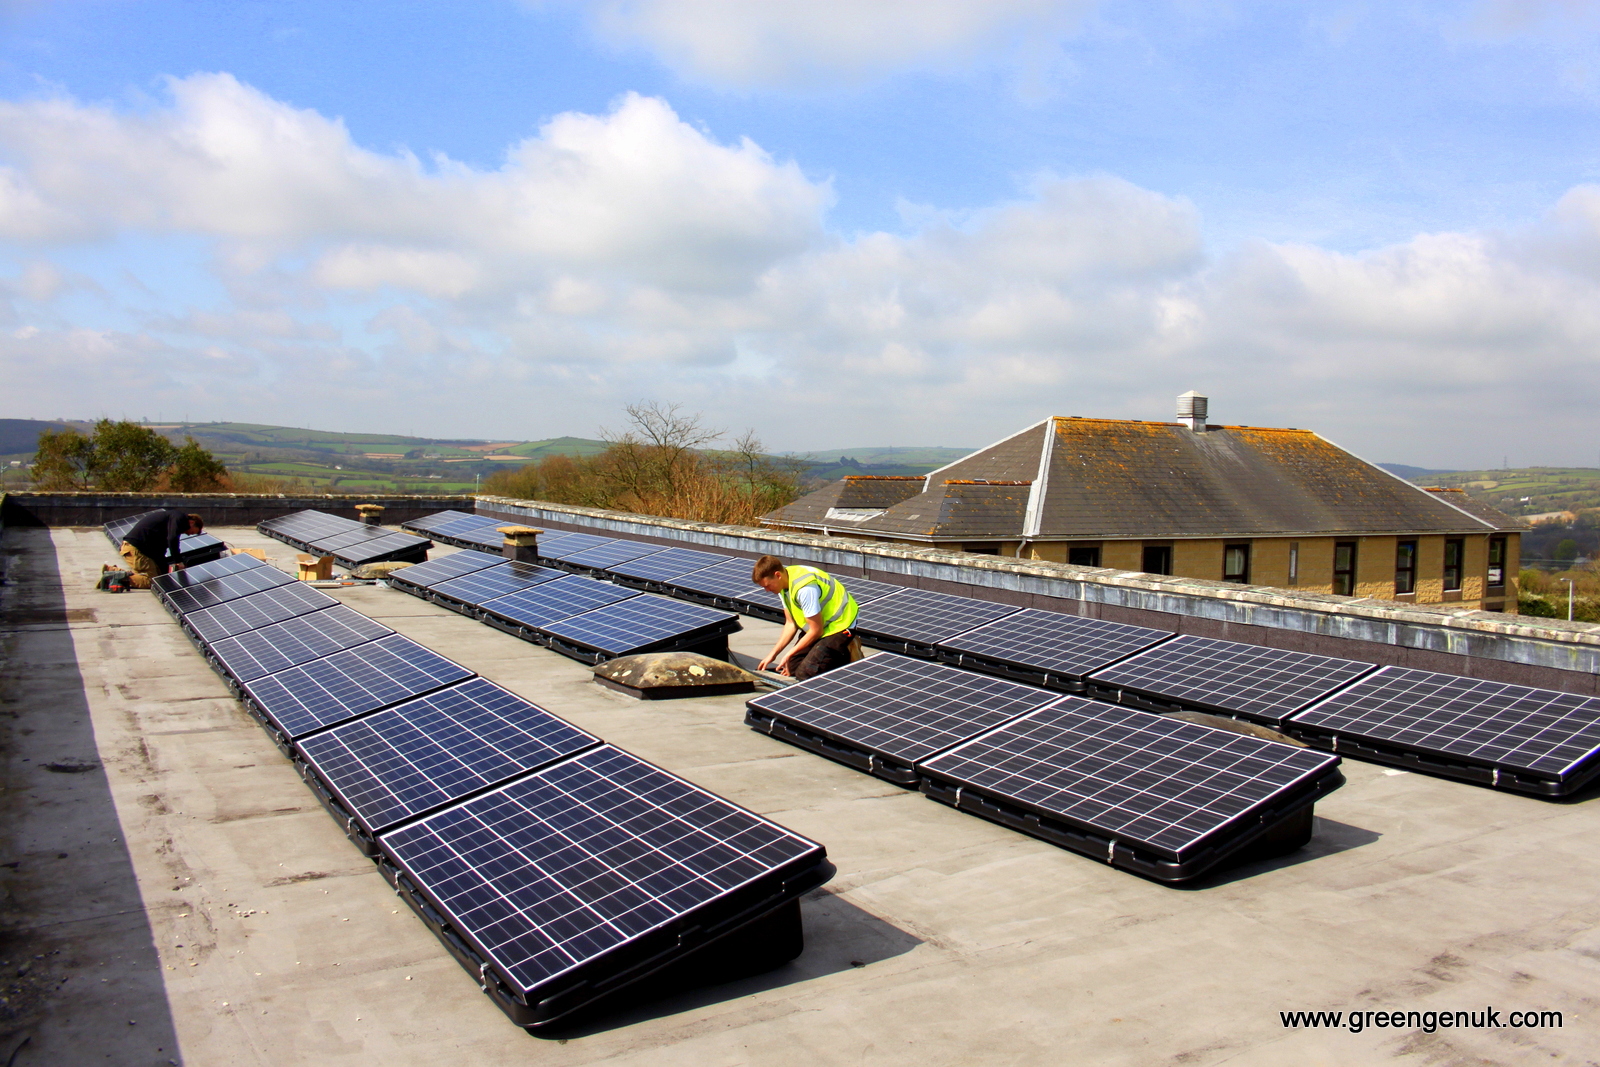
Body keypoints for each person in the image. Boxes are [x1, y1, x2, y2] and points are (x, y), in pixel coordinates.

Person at [752, 555, 861, 680]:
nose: (766, 590)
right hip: (822, 625)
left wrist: (789, 653)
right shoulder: (784, 584)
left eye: (767, 585)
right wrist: (773, 655)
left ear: (777, 575)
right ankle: (831, 655)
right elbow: (790, 624)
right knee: (792, 667)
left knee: (806, 673)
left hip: (840, 625)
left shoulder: (805, 588)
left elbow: (816, 631)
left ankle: (846, 654)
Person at [120, 509, 204, 581]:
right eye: (192, 532)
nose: (188, 534)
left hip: (140, 549)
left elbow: (160, 552)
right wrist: (178, 561)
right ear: (192, 522)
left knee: (160, 578)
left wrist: (165, 572)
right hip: (135, 549)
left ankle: (113, 572)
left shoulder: (171, 521)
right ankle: (114, 577)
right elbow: (172, 539)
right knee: (152, 581)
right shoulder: (179, 518)